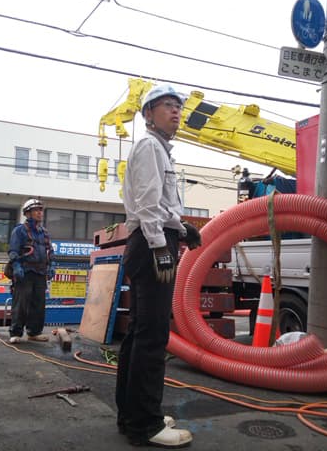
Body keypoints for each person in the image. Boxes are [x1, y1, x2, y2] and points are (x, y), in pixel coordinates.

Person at [116, 84, 202, 448]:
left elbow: (162, 207)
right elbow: (148, 206)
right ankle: (145, 425)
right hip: (151, 244)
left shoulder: (158, 150)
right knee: (152, 337)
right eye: (168, 105)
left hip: (151, 241)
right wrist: (159, 246)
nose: (176, 112)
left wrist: (182, 229)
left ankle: (132, 414)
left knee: (140, 333)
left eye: (178, 107)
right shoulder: (150, 146)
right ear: (148, 114)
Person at [7, 198, 55, 344]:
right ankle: (16, 333)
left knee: (38, 304)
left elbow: (50, 251)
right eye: (36, 210)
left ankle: (34, 332)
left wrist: (52, 265)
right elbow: (13, 250)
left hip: (40, 273)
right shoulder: (19, 230)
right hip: (25, 272)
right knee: (21, 303)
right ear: (28, 213)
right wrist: (16, 266)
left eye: (41, 210)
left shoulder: (44, 232)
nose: (40, 213)